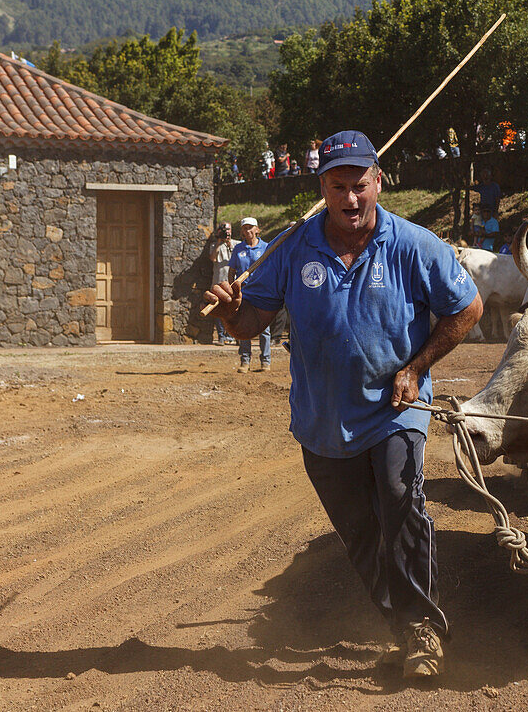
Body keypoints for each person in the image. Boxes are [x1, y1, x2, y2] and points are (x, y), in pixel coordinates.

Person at [204, 130, 482, 678]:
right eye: (338, 187)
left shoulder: (413, 245)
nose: (350, 199)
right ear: (322, 188)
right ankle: (401, 625)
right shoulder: (292, 246)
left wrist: (417, 366)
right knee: (361, 534)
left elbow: (467, 309)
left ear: (378, 181)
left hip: (394, 412)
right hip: (322, 421)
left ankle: (422, 629)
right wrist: (231, 314)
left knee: (401, 503)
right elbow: (250, 324)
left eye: (360, 185)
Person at [228, 218, 272, 373]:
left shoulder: (266, 247)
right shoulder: (238, 249)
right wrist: (232, 289)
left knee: (264, 329)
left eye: (250, 228)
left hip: (261, 292)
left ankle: (265, 361)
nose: (248, 231)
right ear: (241, 232)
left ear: (257, 230)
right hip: (243, 292)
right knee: (244, 325)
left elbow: (271, 270)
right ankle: (245, 361)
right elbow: (232, 270)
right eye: (244, 228)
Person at [210, 223, 238, 345]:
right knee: (219, 309)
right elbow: (212, 258)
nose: (227, 232)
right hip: (218, 281)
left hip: (233, 282)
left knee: (235, 309)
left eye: (228, 230)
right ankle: (221, 335)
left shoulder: (237, 244)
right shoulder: (215, 245)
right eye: (224, 230)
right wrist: (219, 242)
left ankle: (235, 335)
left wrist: (229, 244)